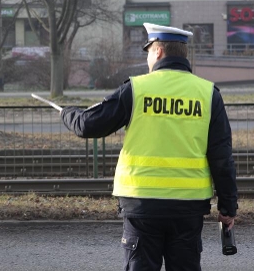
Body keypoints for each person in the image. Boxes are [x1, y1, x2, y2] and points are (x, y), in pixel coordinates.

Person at [60, 22, 238, 271]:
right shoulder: (208, 94)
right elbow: (222, 158)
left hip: (142, 207)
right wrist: (228, 207)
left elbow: (87, 125)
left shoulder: (136, 89)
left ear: (158, 52)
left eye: (148, 52)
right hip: (187, 209)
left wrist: (67, 113)